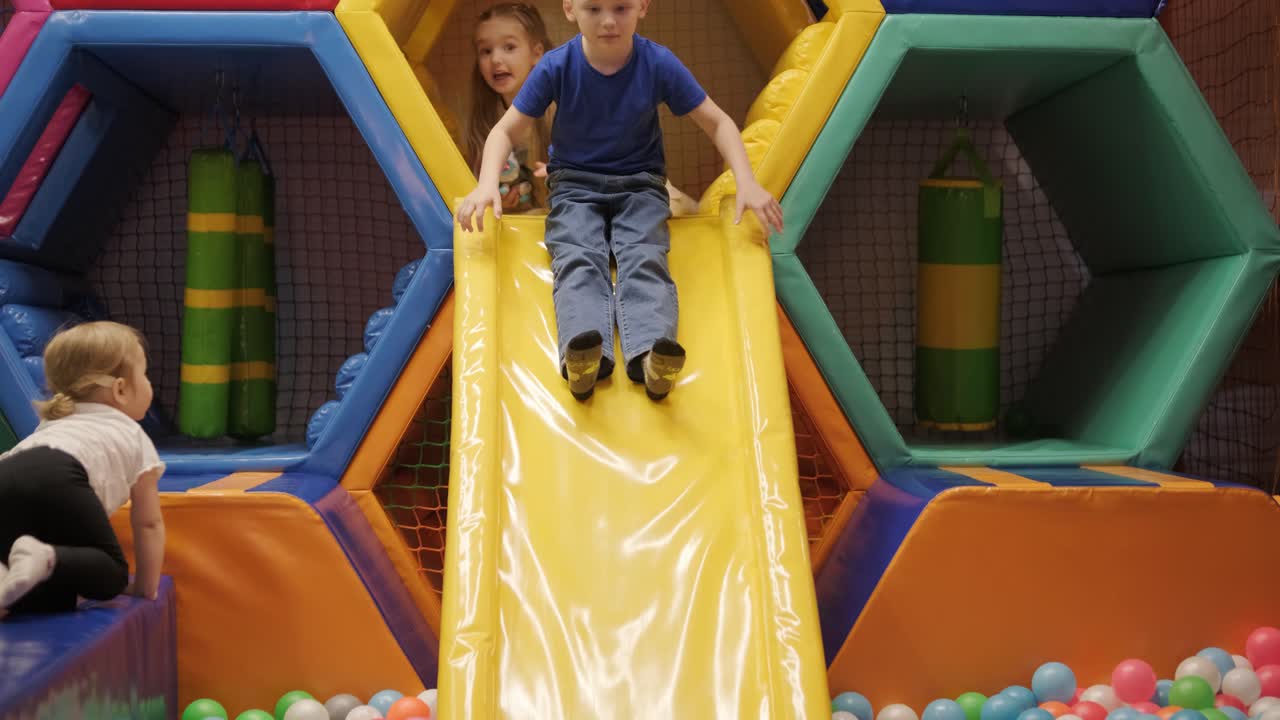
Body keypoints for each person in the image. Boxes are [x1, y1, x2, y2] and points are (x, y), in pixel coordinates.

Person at [457, 0, 785, 402]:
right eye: (593, 8)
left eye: (621, 7)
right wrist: (486, 182)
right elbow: (505, 131)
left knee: (644, 255)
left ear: (643, 6)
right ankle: (582, 354)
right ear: (570, 9)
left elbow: (716, 121)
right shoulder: (557, 66)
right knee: (578, 254)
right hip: (575, 186)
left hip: (640, 186)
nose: (608, 20)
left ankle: (650, 354)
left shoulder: (657, 63)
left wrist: (747, 181)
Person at [464, 1, 700, 216]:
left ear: (537, 53)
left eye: (509, 47)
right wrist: (502, 200)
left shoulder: (561, 101)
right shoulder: (485, 121)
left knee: (675, 208)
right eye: (486, 51)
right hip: (563, 212)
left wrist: (570, 171)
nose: (495, 59)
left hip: (611, 192)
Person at [0, 321, 166, 616]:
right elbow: (149, 522)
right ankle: (45, 555)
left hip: (8, 469)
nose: (148, 384)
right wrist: (144, 586)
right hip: (59, 472)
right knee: (112, 576)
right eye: (144, 375)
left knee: (47, 599)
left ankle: (5, 570)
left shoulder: (53, 423)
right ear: (121, 389)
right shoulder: (131, 434)